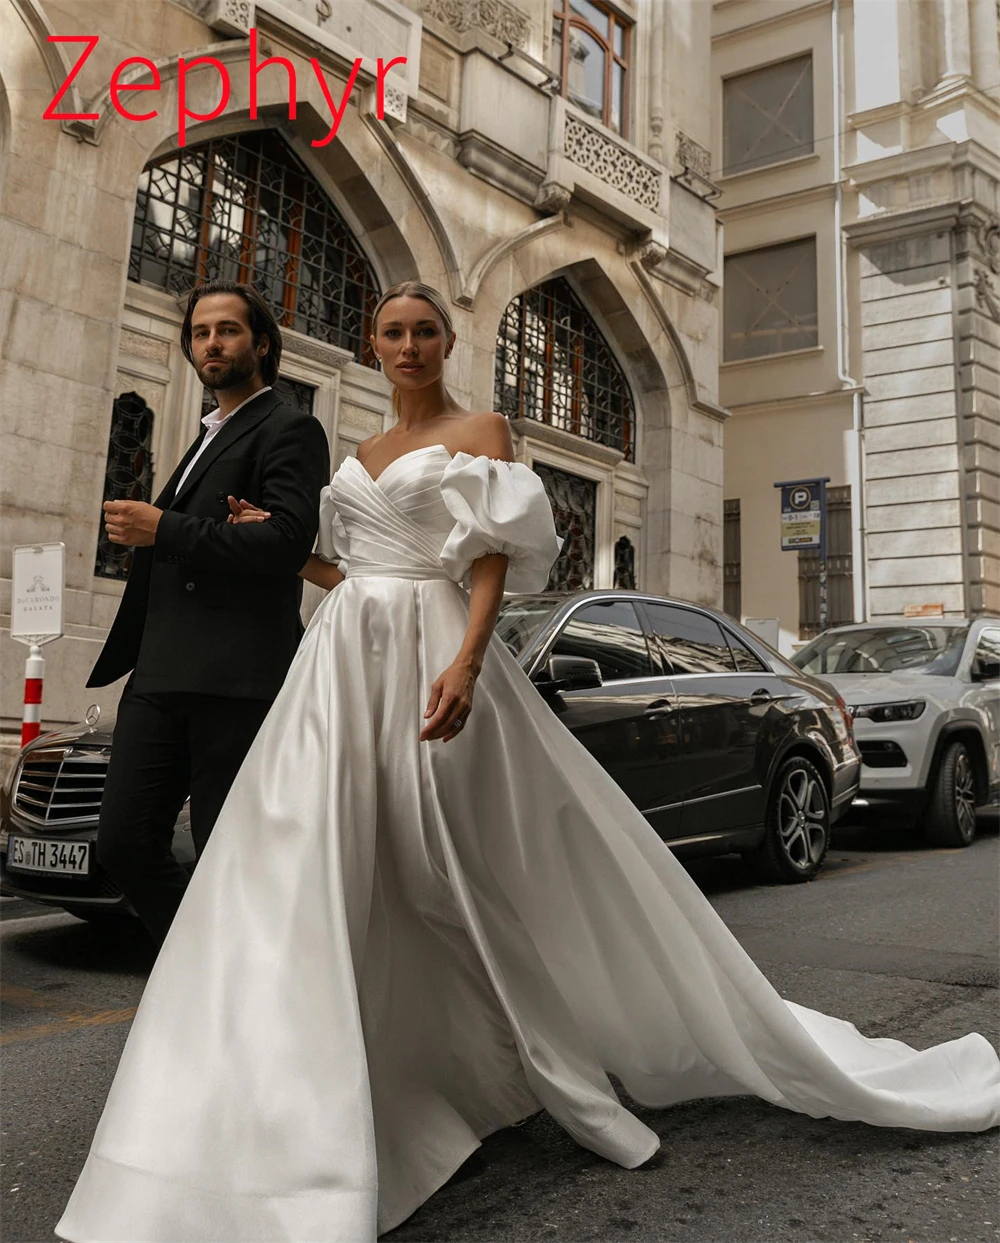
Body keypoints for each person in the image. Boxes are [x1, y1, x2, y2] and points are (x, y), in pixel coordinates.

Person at [58, 281, 999, 1243]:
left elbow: (487, 567)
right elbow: (352, 571)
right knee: (319, 866)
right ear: (372, 345)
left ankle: (535, 1052)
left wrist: (467, 663)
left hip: (433, 648)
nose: (408, 345)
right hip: (343, 654)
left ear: (449, 338)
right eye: (392, 332)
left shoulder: (484, 430)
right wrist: (290, 555)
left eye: (425, 331)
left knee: (458, 867)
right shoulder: (358, 453)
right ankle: (314, 1091)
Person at [88, 280, 330, 947]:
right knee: (123, 843)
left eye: (227, 329)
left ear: (262, 342)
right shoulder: (206, 436)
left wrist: (164, 528)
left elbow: (285, 543)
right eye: (200, 332)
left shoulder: (290, 427)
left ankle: (236, 997)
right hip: (160, 673)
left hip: (235, 677)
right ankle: (206, 970)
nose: (212, 342)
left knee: (230, 853)